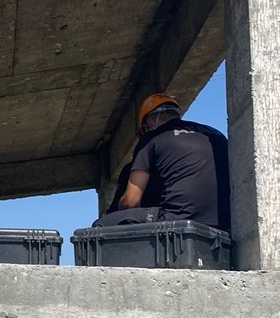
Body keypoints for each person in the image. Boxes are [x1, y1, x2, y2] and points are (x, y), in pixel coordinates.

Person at [93, 92, 230, 230]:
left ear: (150, 122)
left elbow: (130, 202)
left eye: (145, 129)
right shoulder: (216, 135)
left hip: (177, 219)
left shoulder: (152, 138)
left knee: (102, 226)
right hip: (225, 221)